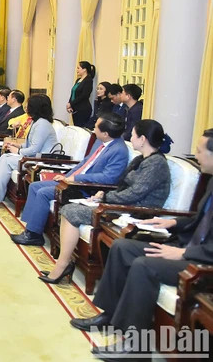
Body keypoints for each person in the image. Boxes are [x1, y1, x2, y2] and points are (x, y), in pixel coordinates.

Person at [69, 129, 213, 360]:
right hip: (190, 248)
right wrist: (173, 221)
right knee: (122, 247)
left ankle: (136, 347)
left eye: (199, 151)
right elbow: (200, 219)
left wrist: (183, 252)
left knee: (144, 266)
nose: (196, 156)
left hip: (202, 261)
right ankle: (110, 315)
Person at [40, 119, 172, 284]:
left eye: (133, 135)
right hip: (123, 204)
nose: (130, 139)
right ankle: (63, 263)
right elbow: (123, 186)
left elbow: (134, 193)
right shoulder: (141, 159)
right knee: (70, 209)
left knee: (70, 211)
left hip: (136, 211)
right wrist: (104, 193)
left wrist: (105, 198)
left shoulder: (156, 164)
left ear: (143, 139)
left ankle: (62, 265)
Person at [9, 112, 130, 246]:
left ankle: (34, 235)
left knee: (43, 193)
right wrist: (66, 176)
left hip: (86, 189)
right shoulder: (102, 142)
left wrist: (76, 178)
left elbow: (108, 178)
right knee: (35, 186)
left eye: (96, 127)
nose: (93, 130)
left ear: (106, 133)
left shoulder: (119, 150)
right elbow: (84, 163)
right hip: (74, 181)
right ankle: (30, 229)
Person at [0, 94, 59, 208]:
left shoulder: (43, 124)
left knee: (5, 160)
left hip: (40, 161)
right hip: (33, 157)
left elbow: (34, 149)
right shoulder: (36, 122)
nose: (26, 107)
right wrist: (14, 144)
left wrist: (17, 151)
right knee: (3, 158)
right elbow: (28, 143)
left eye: (28, 105)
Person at [66, 61, 95, 127]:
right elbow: (73, 92)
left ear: (84, 69)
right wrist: (69, 103)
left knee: (80, 128)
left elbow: (84, 95)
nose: (77, 70)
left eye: (78, 68)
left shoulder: (88, 80)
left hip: (83, 109)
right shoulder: (78, 80)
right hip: (75, 108)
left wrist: (71, 103)